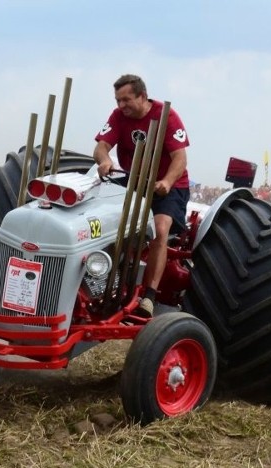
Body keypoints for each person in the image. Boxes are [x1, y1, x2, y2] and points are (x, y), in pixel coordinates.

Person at [94, 74, 190, 318]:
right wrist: (104, 160)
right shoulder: (118, 117)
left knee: (159, 230)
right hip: (133, 179)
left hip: (167, 185)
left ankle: (148, 296)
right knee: (107, 221)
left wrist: (167, 182)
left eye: (126, 100)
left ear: (142, 96)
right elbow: (101, 146)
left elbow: (180, 157)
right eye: (118, 100)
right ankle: (108, 280)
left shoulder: (166, 116)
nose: (121, 106)